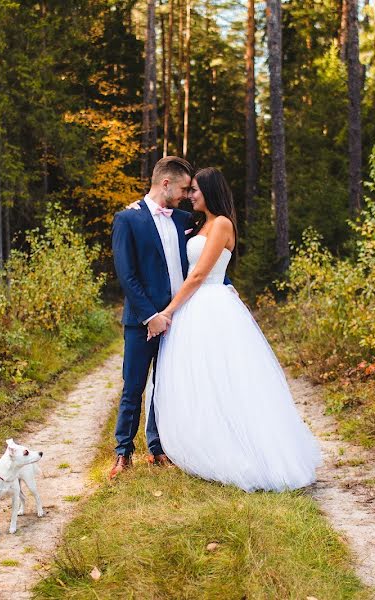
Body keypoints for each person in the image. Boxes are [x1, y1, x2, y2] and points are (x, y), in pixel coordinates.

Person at [149, 167, 321, 492]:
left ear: (210, 191)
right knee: (199, 379)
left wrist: (168, 312)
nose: (191, 195)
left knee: (225, 378)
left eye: (196, 190)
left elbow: (200, 275)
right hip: (197, 308)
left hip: (211, 304)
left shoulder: (223, 224)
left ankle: (240, 449)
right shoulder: (199, 224)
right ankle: (204, 439)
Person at [109, 157, 232, 479]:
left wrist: (226, 289)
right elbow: (127, 275)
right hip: (143, 321)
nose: (186, 195)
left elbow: (207, 261)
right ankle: (123, 452)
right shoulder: (127, 219)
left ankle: (158, 447)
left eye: (191, 190)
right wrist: (152, 315)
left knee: (167, 385)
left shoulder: (184, 220)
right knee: (133, 386)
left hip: (182, 319)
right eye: (183, 188)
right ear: (166, 183)